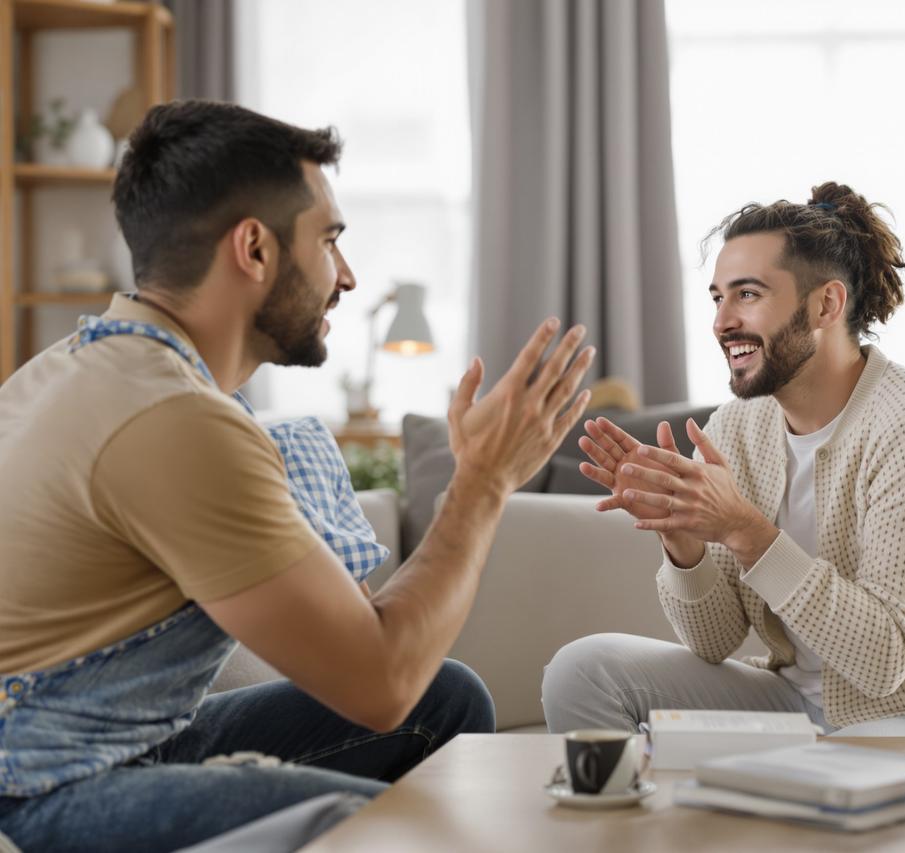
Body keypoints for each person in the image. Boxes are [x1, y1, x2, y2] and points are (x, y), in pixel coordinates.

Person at [0, 100, 595, 852]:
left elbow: (374, 655)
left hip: (118, 745)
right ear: (253, 248)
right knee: (392, 829)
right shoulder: (175, 420)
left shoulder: (83, 366)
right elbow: (378, 682)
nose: (346, 276)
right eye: (330, 240)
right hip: (35, 790)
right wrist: (482, 483)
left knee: (444, 701)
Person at [542, 182, 905, 737]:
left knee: (830, 767)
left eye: (748, 294)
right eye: (717, 297)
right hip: (798, 703)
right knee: (582, 672)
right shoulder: (739, 425)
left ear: (826, 304)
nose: (721, 322)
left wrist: (744, 529)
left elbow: (884, 658)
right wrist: (683, 542)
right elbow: (715, 641)